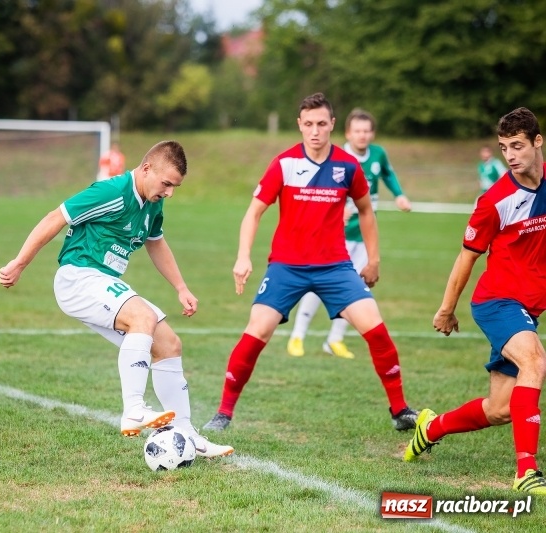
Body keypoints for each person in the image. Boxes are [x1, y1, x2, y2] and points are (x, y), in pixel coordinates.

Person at [0, 140, 233, 458]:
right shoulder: (110, 191)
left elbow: (156, 243)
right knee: (143, 318)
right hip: (77, 278)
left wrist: (181, 287)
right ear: (147, 168)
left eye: (175, 187)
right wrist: (20, 263)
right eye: (167, 184)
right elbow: (56, 217)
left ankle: (187, 434)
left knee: (168, 344)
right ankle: (134, 410)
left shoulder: (153, 202)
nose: (169, 193)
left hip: (102, 282)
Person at [202, 93, 418, 432]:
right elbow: (254, 211)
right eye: (308, 124)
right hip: (286, 266)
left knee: (376, 329)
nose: (315, 131)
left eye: (321, 124)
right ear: (299, 126)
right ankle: (223, 413)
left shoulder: (348, 166)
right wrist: (243, 256)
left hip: (335, 267)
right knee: (256, 330)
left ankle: (400, 410)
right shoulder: (284, 164)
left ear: (332, 124)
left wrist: (373, 259)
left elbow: (365, 210)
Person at [404, 107, 546, 495]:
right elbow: (467, 256)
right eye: (504, 148)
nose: (511, 155)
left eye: (517, 146)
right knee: (535, 360)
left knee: (501, 408)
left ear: (538, 142)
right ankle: (526, 472)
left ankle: (431, 427)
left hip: (528, 308)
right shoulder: (496, 201)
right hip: (497, 302)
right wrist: (446, 309)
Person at [287, 108, 412, 360]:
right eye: (357, 131)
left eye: (367, 131)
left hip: (364, 237)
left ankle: (335, 339)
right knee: (317, 285)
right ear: (347, 133)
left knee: (357, 289)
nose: (362, 136)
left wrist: (398, 194)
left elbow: (387, 173)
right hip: (335, 238)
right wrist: (339, 210)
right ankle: (297, 335)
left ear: (372, 133)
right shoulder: (337, 158)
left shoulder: (378, 154)